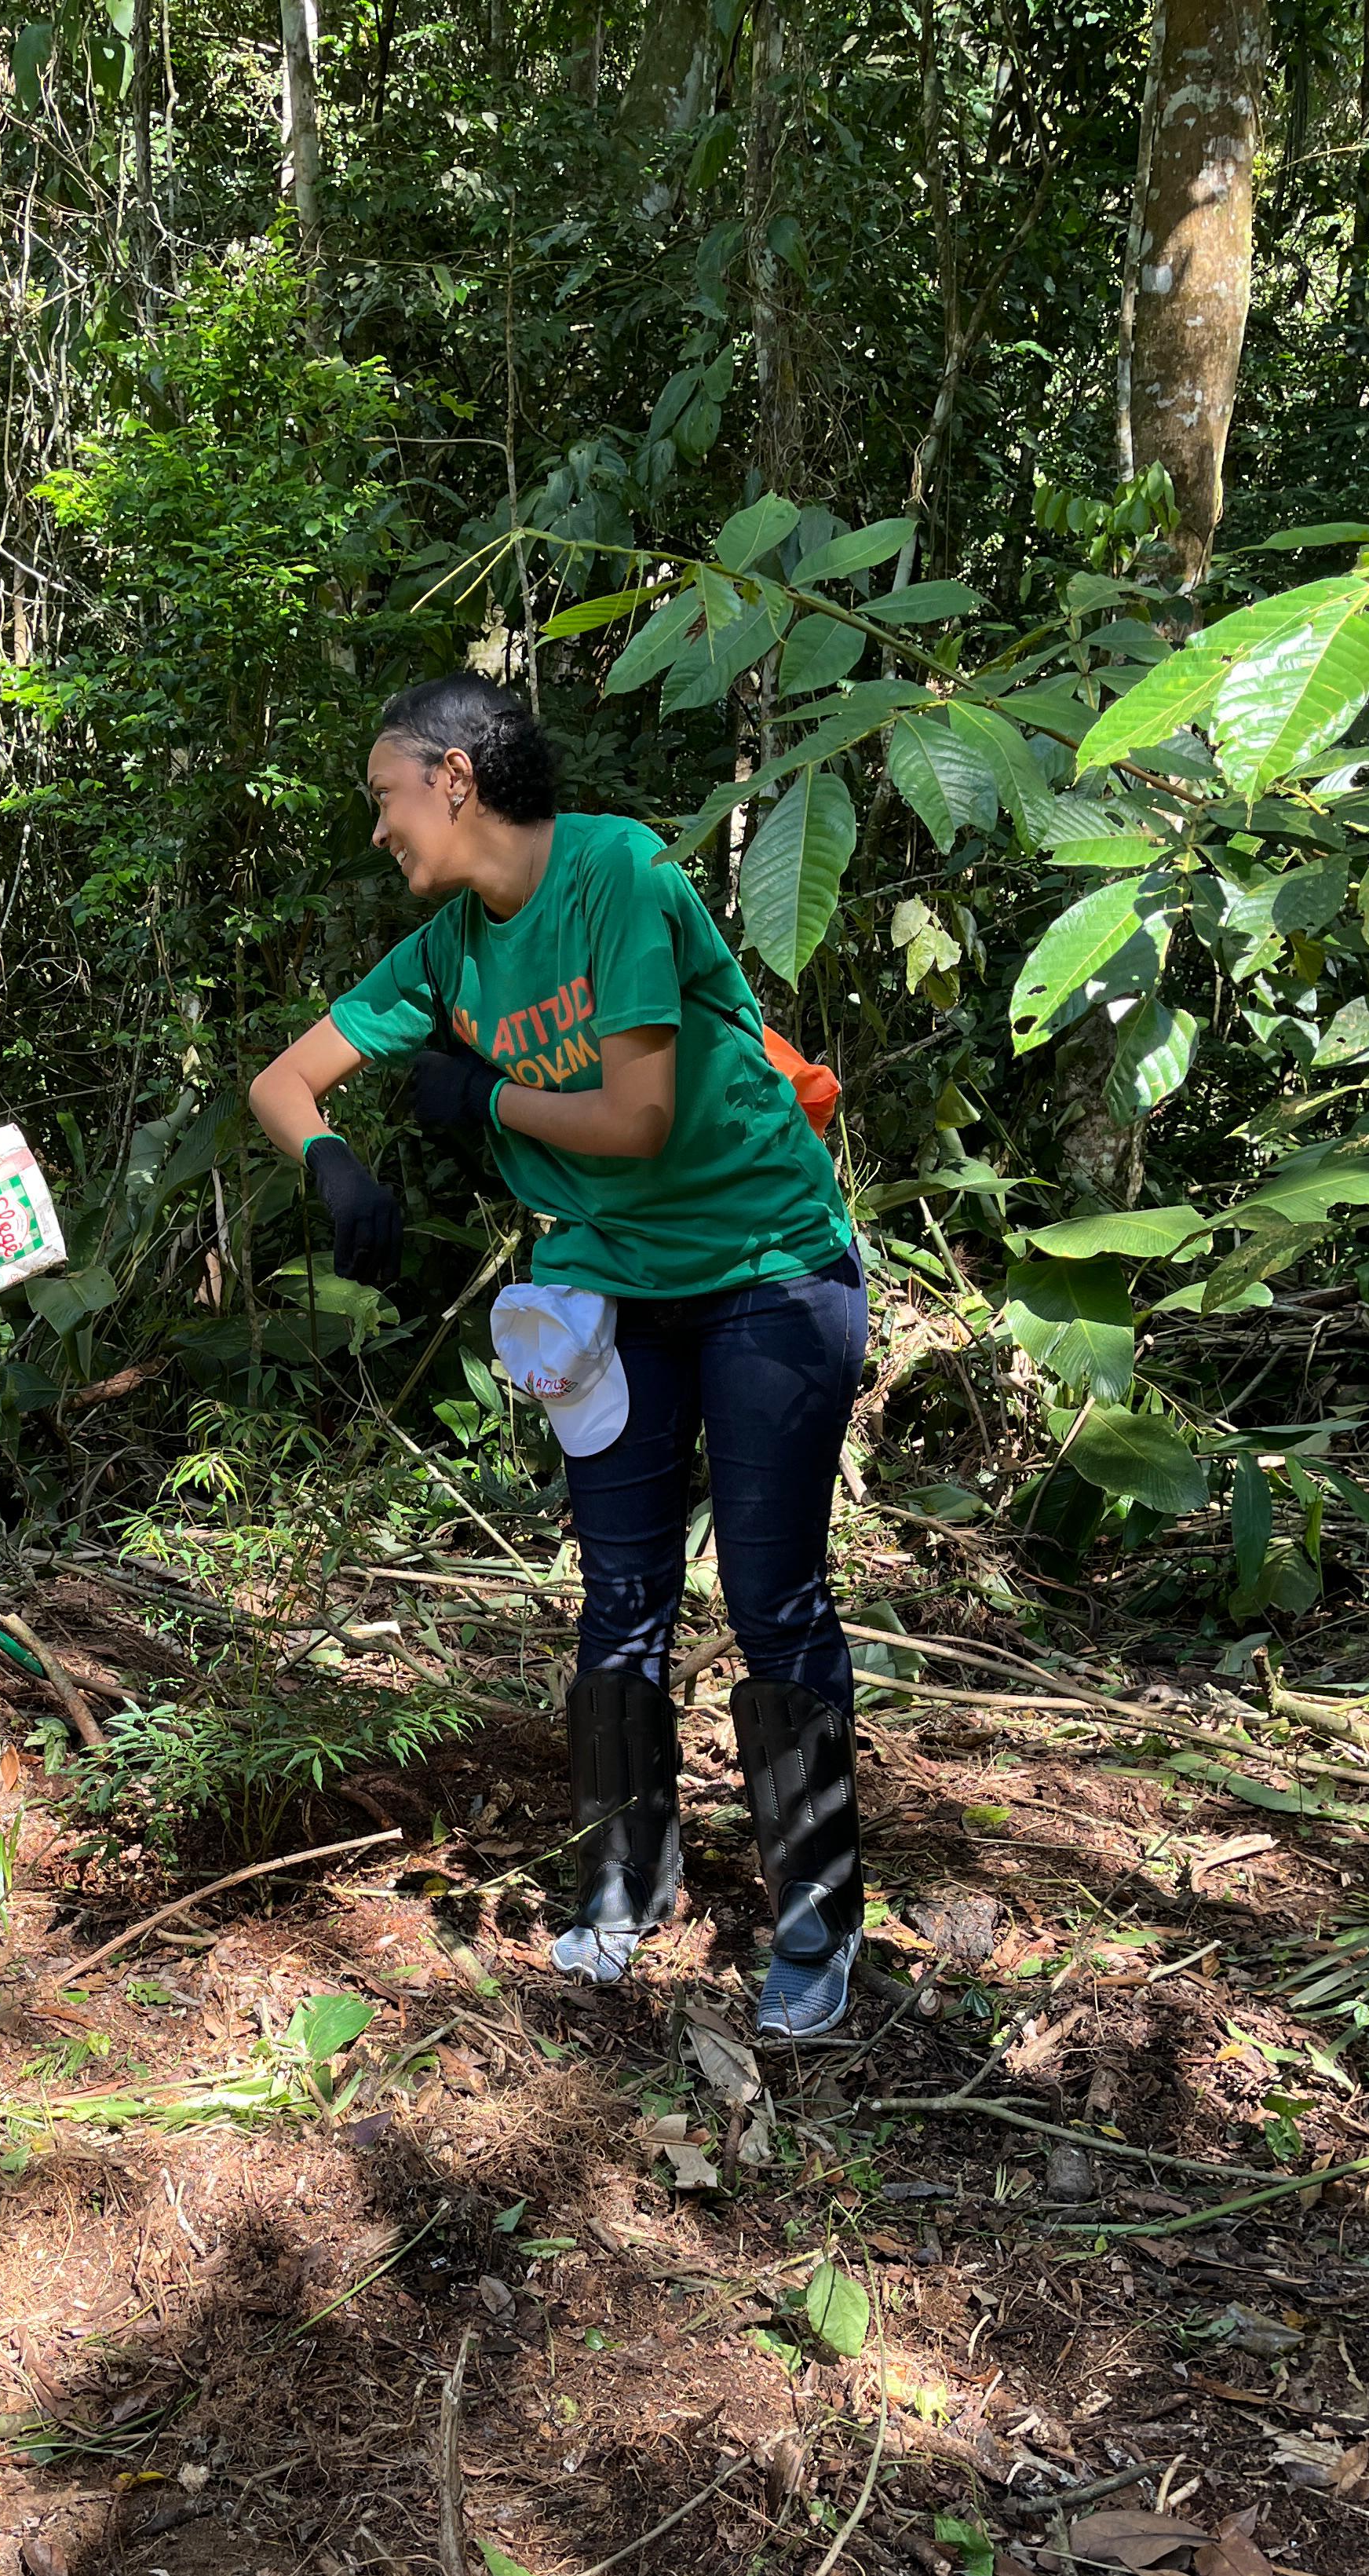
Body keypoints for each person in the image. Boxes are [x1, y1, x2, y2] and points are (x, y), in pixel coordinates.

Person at [248, 675, 868, 2037]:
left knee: (770, 1600)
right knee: (620, 1594)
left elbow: (640, 1116)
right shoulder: (447, 950)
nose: (378, 831)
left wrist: (481, 1095)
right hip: (610, 1293)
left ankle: (817, 1919)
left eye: (384, 798)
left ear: (456, 778)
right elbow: (280, 1083)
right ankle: (620, 1889)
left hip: (765, 1270)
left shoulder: (618, 874)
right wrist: (337, 1164)